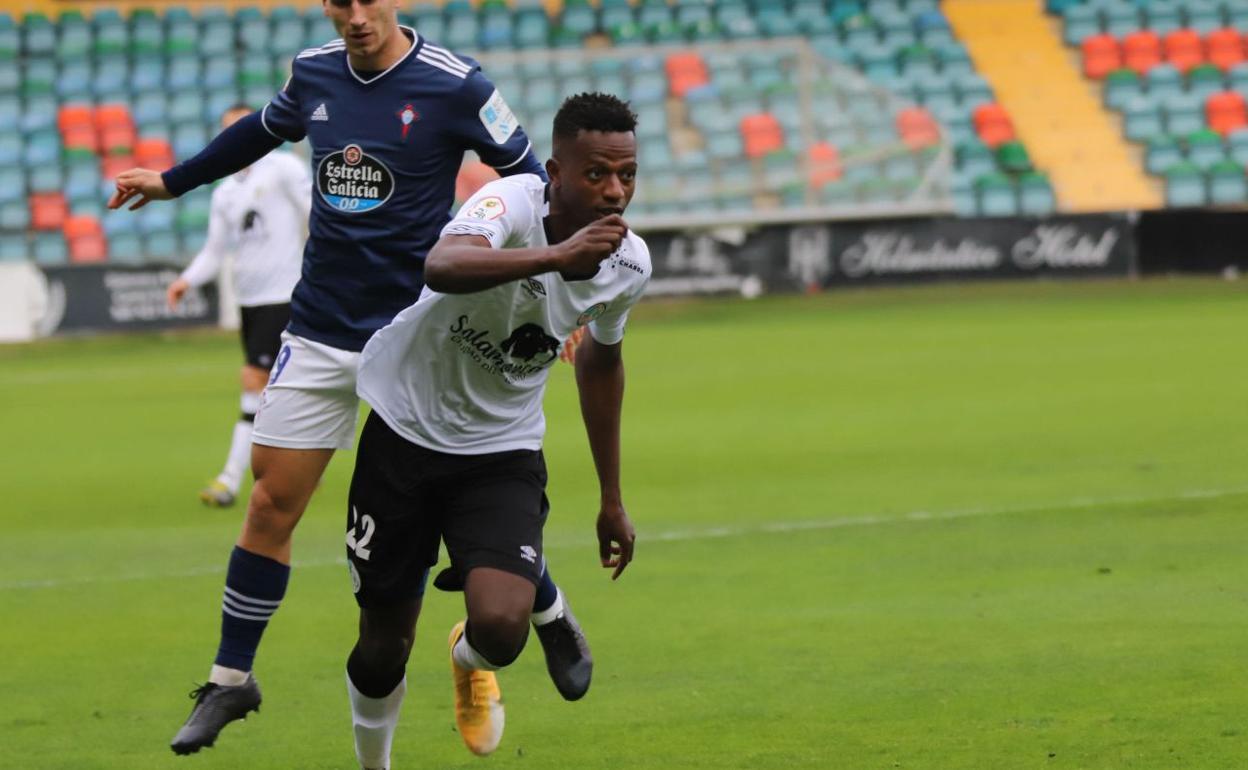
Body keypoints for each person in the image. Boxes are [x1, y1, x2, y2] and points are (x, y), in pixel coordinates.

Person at [106, 0, 591, 755]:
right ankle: (232, 681)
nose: (356, 15)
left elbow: (532, 177)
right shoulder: (313, 72)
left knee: (457, 493)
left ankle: (546, 607)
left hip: (422, 336)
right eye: (340, 1)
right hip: (325, 328)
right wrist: (173, 181)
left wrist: (562, 296)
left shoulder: (457, 85)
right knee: (270, 502)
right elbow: (256, 135)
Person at [343, 92, 646, 768]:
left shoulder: (630, 264)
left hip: (500, 451)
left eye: (627, 173)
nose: (615, 191)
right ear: (555, 172)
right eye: (596, 173)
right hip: (403, 432)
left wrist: (611, 498)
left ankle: (468, 659)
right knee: (382, 643)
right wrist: (556, 257)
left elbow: (600, 363)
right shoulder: (511, 202)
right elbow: (443, 266)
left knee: (501, 629)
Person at [166, 104, 310, 508]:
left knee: (254, 382)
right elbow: (214, 252)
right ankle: (300, 467)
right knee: (281, 391)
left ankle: (230, 480)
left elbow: (316, 215)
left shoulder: (283, 169)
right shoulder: (226, 192)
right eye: (231, 130)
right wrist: (186, 280)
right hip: (250, 300)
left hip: (284, 293)